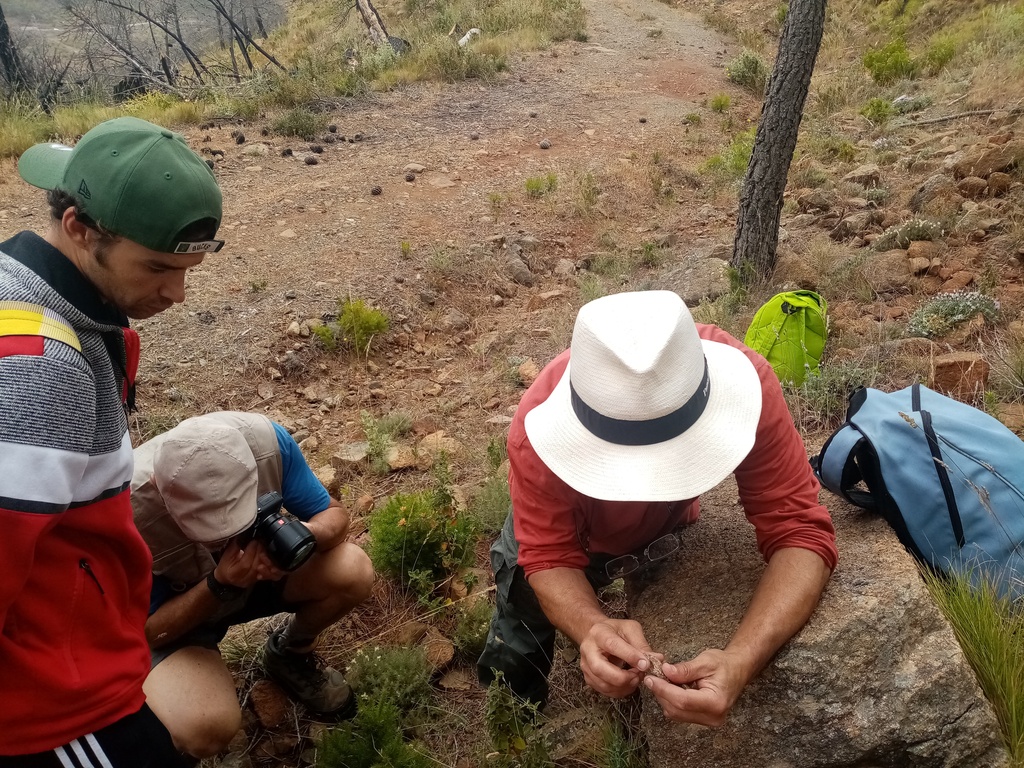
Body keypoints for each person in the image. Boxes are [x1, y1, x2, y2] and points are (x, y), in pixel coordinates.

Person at [476, 290, 838, 726]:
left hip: (663, 529)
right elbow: (550, 556)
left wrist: (742, 659)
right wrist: (592, 626)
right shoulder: (534, 433)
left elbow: (800, 530)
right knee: (518, 634)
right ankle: (515, 718)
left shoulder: (750, 383)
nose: (645, 486)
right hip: (567, 533)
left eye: (674, 460)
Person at [0, 117, 222, 767]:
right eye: (156, 267)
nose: (176, 293)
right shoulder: (38, 365)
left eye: (188, 268)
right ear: (78, 227)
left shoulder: (38, 300)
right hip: (48, 704)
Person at [131, 411, 375, 759]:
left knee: (353, 569)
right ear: (160, 489)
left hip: (257, 583)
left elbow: (334, 516)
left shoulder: (265, 444)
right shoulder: (127, 512)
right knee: (203, 727)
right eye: (215, 534)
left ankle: (290, 654)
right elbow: (146, 632)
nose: (233, 540)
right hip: (179, 616)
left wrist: (305, 534)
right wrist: (219, 584)